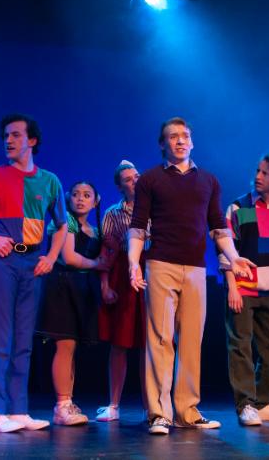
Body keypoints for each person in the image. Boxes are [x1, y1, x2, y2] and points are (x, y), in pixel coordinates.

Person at [128, 117, 255, 435]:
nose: (180, 140)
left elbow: (218, 225)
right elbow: (138, 226)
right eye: (173, 136)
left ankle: (187, 411)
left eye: (184, 136)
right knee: (160, 339)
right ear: (163, 144)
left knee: (191, 341)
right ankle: (159, 413)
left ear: (192, 142)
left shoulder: (208, 180)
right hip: (160, 265)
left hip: (196, 268)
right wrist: (133, 263)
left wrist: (234, 257)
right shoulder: (150, 179)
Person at [0, 113, 67, 433]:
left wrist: (51, 256)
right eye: (6, 135)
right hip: (0, 261)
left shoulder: (49, 181)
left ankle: (18, 409)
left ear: (32, 140)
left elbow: (62, 225)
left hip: (32, 262)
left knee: (23, 338)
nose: (8, 140)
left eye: (16, 135)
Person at [223, 153, 269, 427]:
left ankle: (262, 403)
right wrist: (232, 287)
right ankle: (246, 405)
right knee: (241, 346)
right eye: (257, 170)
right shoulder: (238, 207)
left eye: (265, 172)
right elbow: (226, 250)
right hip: (242, 288)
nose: (258, 176)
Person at [37, 181, 102, 425]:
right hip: (62, 286)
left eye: (86, 195)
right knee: (65, 345)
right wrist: (98, 264)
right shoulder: (64, 222)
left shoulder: (94, 230)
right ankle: (62, 405)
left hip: (82, 290)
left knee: (72, 348)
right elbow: (70, 258)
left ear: (95, 201)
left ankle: (68, 402)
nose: (80, 199)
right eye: (75, 194)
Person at [96, 161, 147, 422]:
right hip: (123, 276)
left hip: (150, 274)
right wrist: (105, 286)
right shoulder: (112, 214)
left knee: (150, 345)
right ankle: (114, 404)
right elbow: (107, 253)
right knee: (120, 342)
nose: (135, 181)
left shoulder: (155, 208)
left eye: (136, 176)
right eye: (128, 179)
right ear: (120, 187)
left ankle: (152, 407)